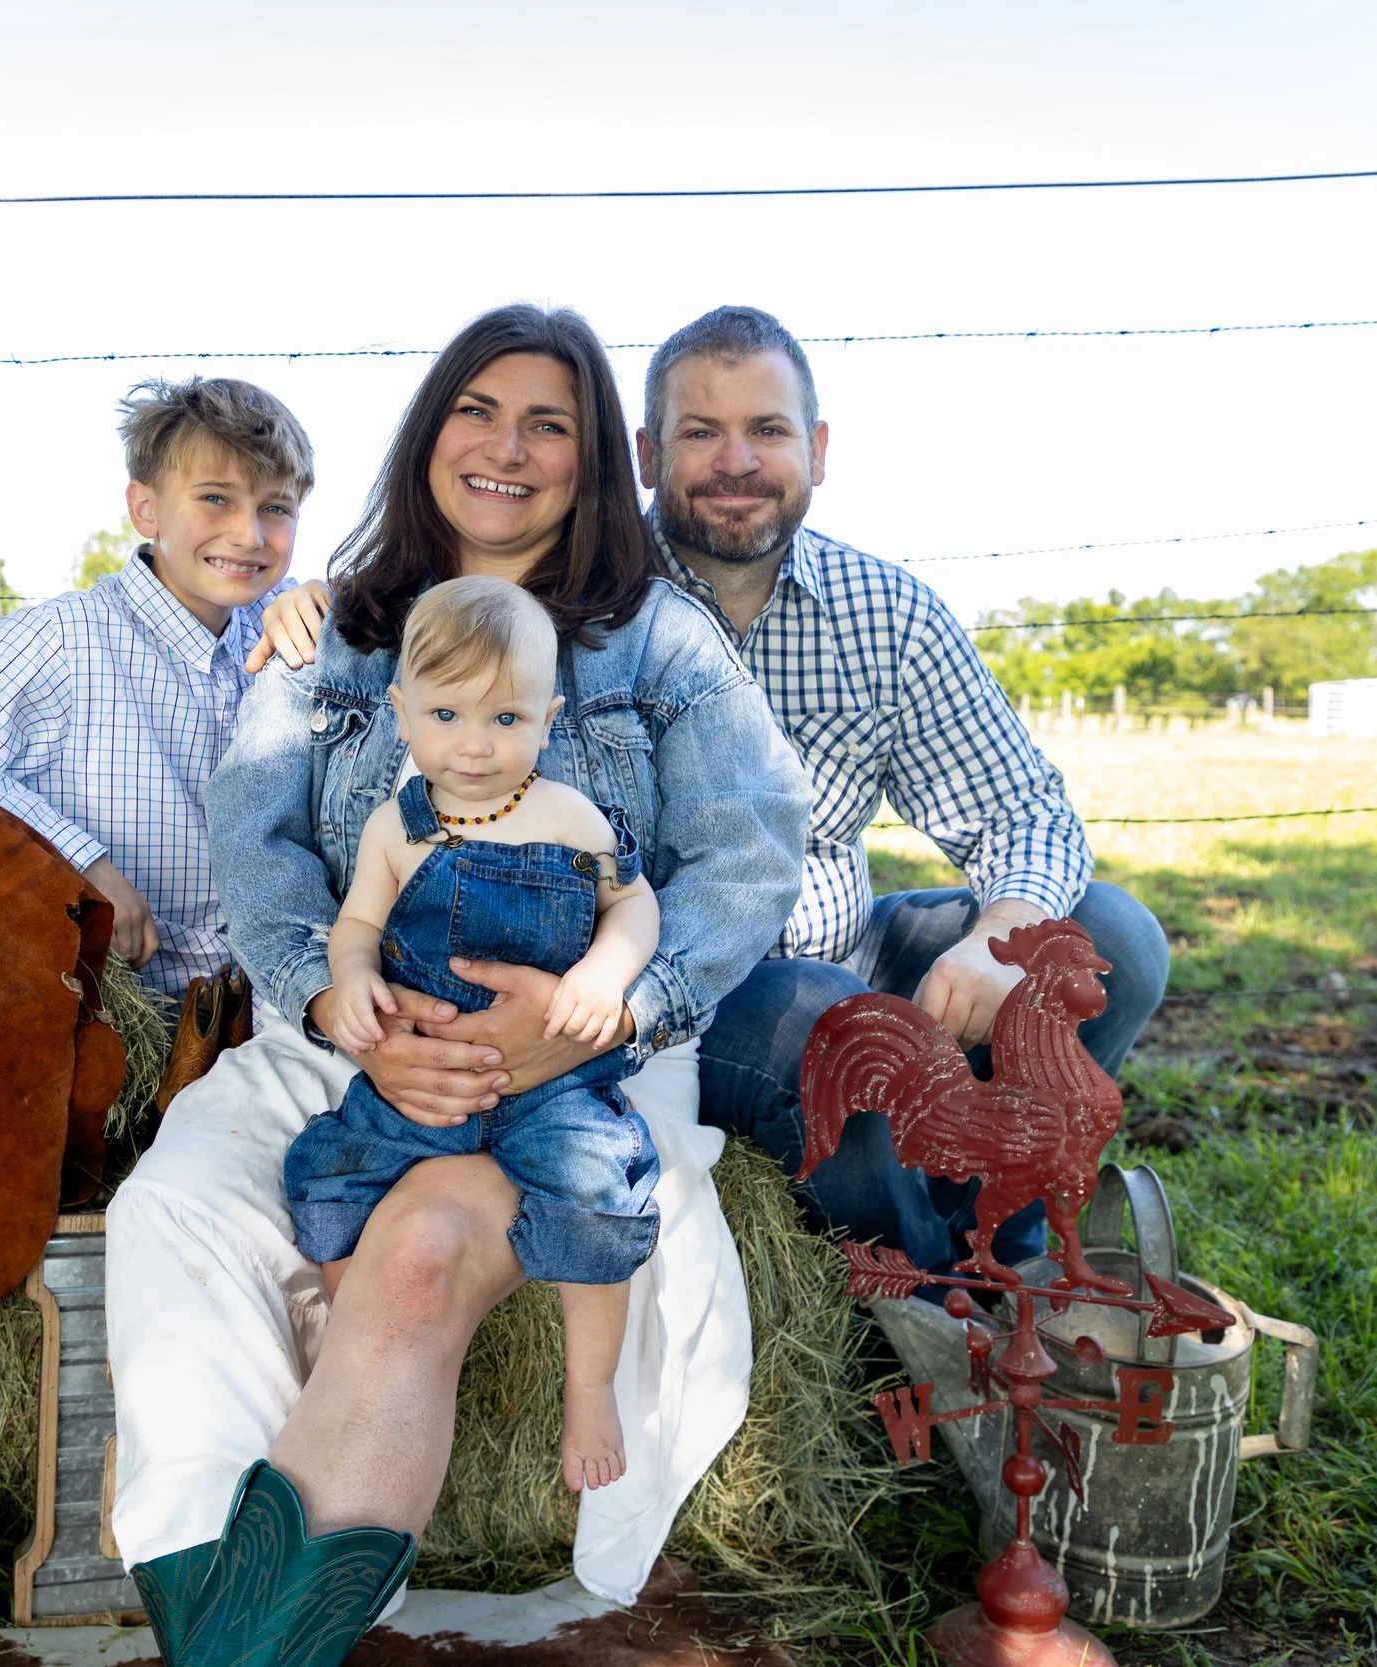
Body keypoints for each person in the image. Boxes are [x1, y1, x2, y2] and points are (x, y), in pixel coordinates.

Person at [105, 305, 809, 1667]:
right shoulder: (335, 633)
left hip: (585, 1051)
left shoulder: (655, 639)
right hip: (348, 1036)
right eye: (477, 409)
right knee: (177, 1204)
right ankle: (228, 1622)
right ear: (429, 432)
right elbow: (256, 843)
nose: (508, 446)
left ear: (594, 457)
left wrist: (603, 1012)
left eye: (551, 421)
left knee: (419, 1246)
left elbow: (746, 850)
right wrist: (336, 1005)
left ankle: (258, 1643)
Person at [250, 307, 1169, 1279]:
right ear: (644, 453)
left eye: (766, 430)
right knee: (821, 1021)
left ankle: (1012, 1243)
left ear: (815, 447)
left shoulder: (884, 613)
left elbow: (1021, 809)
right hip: (692, 987)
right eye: (700, 432)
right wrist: (317, 603)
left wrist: (999, 935)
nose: (736, 461)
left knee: (1109, 936)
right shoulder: (581, 596)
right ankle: (936, 1295)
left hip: (846, 949)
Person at [291, 575, 663, 1496]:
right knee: (331, 1178)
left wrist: (602, 975)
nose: (475, 743)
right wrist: (352, 983)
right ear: (400, 714)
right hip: (421, 1075)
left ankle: (590, 1385)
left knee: (592, 1192)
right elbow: (356, 929)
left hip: (552, 1081)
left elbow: (633, 904)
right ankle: (349, 1349)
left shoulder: (572, 819)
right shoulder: (393, 829)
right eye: (447, 712)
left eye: (507, 718)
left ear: (550, 720)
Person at [0, 377, 310, 1001]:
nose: (249, 534)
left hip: (272, 1008)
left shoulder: (287, 623)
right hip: (119, 1016)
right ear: (145, 509)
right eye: (216, 498)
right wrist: (77, 861)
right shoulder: (66, 638)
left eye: (275, 507)